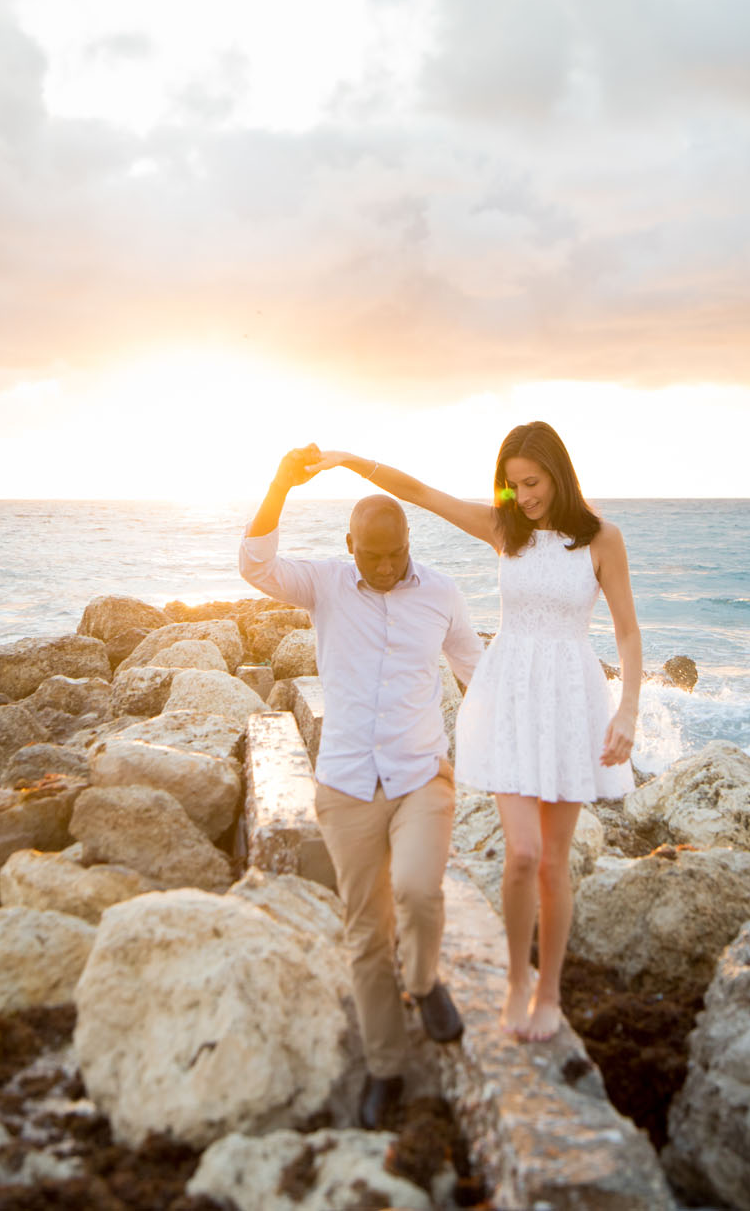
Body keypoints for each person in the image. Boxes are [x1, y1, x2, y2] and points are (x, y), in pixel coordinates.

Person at [313, 423, 641, 1041]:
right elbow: (421, 493)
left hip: (572, 698)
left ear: (559, 474)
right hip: (510, 695)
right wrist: (350, 461)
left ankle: (549, 991)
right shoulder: (502, 529)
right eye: (513, 484)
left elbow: (626, 631)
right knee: (521, 855)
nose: (524, 495)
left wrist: (628, 709)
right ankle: (517, 979)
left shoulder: (602, 540)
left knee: (552, 864)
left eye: (533, 483)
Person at [238, 444, 486, 1129]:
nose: (385, 566)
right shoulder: (322, 583)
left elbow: (478, 672)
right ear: (350, 546)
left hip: (420, 778)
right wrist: (280, 483)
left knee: (415, 889)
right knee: (367, 933)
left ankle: (427, 980)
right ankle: (385, 1068)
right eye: (372, 555)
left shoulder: (440, 593)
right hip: (345, 785)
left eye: (396, 553)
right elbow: (255, 565)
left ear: (410, 541)